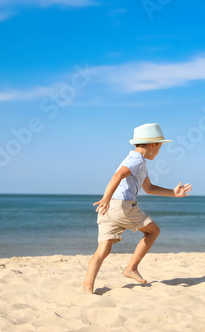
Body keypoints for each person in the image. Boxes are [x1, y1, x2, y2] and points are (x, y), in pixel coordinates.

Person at [82, 123, 192, 294]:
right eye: (160, 147)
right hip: (121, 205)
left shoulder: (136, 161)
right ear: (152, 144)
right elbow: (118, 175)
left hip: (109, 209)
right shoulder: (136, 160)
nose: (159, 151)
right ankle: (131, 268)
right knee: (153, 231)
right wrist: (106, 197)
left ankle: (87, 287)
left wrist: (173, 193)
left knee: (103, 249)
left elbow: (148, 188)